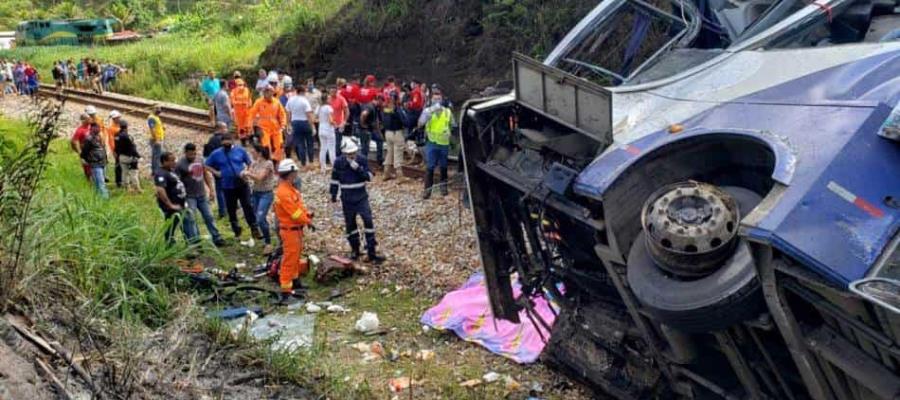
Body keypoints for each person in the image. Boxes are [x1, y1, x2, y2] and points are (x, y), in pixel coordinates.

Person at [330, 138, 385, 263]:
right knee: (351, 225)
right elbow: (334, 179)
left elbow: (369, 176)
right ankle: (355, 250)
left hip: (361, 197)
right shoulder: (339, 162)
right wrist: (333, 194)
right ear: (345, 154)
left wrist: (358, 169)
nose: (352, 156)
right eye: (349, 154)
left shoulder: (361, 160)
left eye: (353, 153)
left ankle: (372, 252)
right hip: (347, 199)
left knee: (368, 221)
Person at [204, 133, 261, 240]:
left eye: (229, 141)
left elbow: (249, 162)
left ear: (233, 141)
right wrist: (216, 172)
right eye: (225, 142)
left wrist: (247, 171)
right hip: (227, 185)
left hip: (242, 183)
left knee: (248, 205)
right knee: (231, 208)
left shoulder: (240, 151)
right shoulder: (216, 154)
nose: (227, 144)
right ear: (221, 142)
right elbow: (206, 164)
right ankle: (236, 229)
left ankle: (254, 228)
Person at [273, 158, 312, 303]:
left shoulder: (290, 189)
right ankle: (286, 291)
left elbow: (299, 208)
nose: (296, 174)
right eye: (294, 172)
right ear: (290, 173)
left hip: (295, 230)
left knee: (295, 257)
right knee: (289, 260)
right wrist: (307, 221)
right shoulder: (284, 192)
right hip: (290, 230)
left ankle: (295, 282)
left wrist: (307, 216)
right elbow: (294, 213)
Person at [177, 143, 225, 247]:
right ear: (185, 153)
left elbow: (205, 174)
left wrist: (211, 189)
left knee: (209, 216)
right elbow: (177, 182)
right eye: (190, 155)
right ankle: (195, 240)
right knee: (192, 219)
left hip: (202, 194)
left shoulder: (200, 160)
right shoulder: (180, 164)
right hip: (189, 196)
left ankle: (217, 237)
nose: (192, 156)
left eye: (194, 154)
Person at [155, 151, 198, 246]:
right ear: (164, 161)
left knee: (176, 224)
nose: (174, 162)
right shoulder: (161, 173)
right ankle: (188, 244)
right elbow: (160, 190)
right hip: (172, 205)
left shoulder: (171, 171)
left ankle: (186, 243)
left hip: (180, 203)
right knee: (175, 224)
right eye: (171, 160)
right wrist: (170, 205)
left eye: (174, 160)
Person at [418, 89, 454, 199]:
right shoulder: (427, 111)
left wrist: (450, 135)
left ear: (442, 99)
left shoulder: (448, 112)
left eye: (439, 99)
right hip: (432, 142)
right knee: (430, 166)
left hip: (444, 143)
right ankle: (427, 190)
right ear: (431, 100)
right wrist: (427, 115)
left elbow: (452, 125)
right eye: (435, 99)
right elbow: (419, 124)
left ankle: (444, 188)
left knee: (443, 166)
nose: (437, 101)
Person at [243, 144, 278, 254]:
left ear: (260, 153)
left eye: (253, 152)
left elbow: (259, 178)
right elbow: (249, 174)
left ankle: (268, 243)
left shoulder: (268, 164)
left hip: (266, 194)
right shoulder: (254, 163)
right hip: (256, 193)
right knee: (258, 218)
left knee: (260, 218)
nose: (251, 154)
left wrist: (247, 173)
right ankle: (266, 235)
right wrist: (244, 174)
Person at [249, 85, 287, 163]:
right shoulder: (258, 102)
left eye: (269, 91)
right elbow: (252, 114)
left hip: (275, 127)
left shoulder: (277, 102)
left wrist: (283, 125)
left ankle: (277, 161)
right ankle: (268, 160)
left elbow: (282, 114)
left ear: (272, 92)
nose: (268, 94)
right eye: (266, 92)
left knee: (279, 144)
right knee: (266, 145)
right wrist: (251, 127)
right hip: (263, 127)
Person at [203, 122, 229, 219]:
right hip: (228, 169)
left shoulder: (211, 140)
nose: (226, 130)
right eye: (225, 128)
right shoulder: (226, 140)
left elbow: (206, 157)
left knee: (220, 190)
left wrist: (212, 170)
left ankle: (222, 211)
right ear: (220, 128)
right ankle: (230, 208)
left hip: (217, 170)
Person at [286, 85, 316, 168]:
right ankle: (311, 162)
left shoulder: (290, 100)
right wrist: (312, 126)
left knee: (300, 144)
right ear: (302, 92)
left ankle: (303, 163)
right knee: (309, 143)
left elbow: (288, 113)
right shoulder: (304, 101)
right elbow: (308, 114)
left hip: (295, 122)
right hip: (305, 122)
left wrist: (288, 124)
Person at [382, 92, 406, 181]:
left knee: (389, 153)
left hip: (387, 133)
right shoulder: (397, 109)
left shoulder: (386, 108)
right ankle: (400, 176)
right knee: (398, 154)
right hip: (397, 133)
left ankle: (386, 173)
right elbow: (405, 121)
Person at [80, 123, 109, 199]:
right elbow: (84, 152)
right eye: (97, 127)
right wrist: (85, 160)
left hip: (102, 163)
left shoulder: (99, 137)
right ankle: (105, 199)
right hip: (95, 164)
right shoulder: (88, 139)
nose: (99, 129)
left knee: (100, 182)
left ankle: (98, 198)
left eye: (99, 128)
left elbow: (103, 149)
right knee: (100, 182)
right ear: (92, 128)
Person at [113, 119, 142, 193]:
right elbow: (132, 147)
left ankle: (127, 188)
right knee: (134, 172)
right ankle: (137, 188)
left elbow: (116, 147)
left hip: (121, 157)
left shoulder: (116, 135)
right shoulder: (126, 136)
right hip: (129, 157)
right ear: (126, 127)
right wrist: (138, 156)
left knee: (124, 172)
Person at [358, 94, 382, 162]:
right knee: (365, 148)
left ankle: (379, 159)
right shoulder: (370, 106)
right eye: (381, 101)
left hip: (371, 129)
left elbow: (376, 119)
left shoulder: (376, 107)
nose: (382, 103)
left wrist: (379, 131)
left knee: (380, 140)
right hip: (365, 130)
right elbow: (363, 114)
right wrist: (363, 124)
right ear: (378, 100)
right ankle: (363, 163)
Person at [317, 92, 337, 172]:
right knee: (331, 148)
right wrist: (335, 124)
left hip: (321, 128)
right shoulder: (328, 107)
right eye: (329, 98)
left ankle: (323, 167)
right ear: (326, 99)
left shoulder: (319, 107)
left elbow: (315, 117)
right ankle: (334, 166)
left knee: (323, 148)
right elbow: (330, 120)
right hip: (328, 129)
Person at [71, 113, 94, 181]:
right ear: (84, 120)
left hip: (93, 152)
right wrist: (80, 153)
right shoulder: (80, 130)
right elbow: (74, 141)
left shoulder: (90, 128)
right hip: (86, 153)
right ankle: (90, 184)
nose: (90, 120)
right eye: (88, 119)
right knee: (88, 170)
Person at [231, 78, 253, 144]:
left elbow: (249, 98)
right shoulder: (233, 92)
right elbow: (233, 102)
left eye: (242, 84)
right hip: (239, 114)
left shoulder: (247, 90)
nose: (241, 86)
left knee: (249, 126)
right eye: (239, 85)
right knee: (241, 128)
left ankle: (250, 139)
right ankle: (243, 141)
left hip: (247, 112)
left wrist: (250, 103)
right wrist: (241, 103)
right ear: (236, 85)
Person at [329, 85, 349, 157]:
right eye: (331, 92)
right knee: (330, 143)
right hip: (329, 124)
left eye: (334, 92)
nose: (332, 93)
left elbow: (347, 111)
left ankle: (337, 158)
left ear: (336, 92)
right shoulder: (328, 99)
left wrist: (344, 122)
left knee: (337, 143)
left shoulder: (341, 99)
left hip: (338, 124)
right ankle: (330, 158)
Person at [147, 105, 165, 174]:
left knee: (156, 155)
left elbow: (157, 126)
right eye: (157, 108)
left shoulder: (156, 117)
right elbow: (152, 130)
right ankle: (156, 171)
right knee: (157, 156)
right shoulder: (151, 118)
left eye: (160, 108)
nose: (159, 110)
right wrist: (157, 139)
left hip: (159, 139)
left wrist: (162, 128)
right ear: (152, 109)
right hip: (155, 140)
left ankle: (154, 171)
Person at [107, 110, 123, 187]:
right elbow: (111, 141)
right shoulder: (111, 128)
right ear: (114, 119)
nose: (119, 118)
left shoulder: (120, 125)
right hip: (117, 150)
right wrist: (114, 151)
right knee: (118, 166)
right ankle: (119, 182)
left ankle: (124, 180)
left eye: (119, 117)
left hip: (123, 148)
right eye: (117, 117)